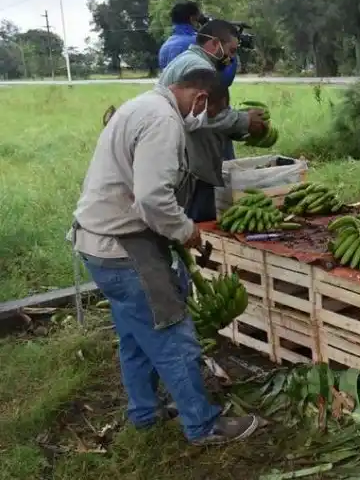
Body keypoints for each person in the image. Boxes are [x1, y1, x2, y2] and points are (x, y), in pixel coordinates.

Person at [71, 68, 260, 446]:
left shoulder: (142, 105)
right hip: (126, 248)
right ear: (200, 99)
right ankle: (203, 424)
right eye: (207, 115)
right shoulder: (163, 121)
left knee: (135, 337)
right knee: (173, 335)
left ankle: (145, 413)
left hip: (98, 244)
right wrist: (185, 229)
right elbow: (152, 198)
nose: (202, 122)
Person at [159, 19, 267, 223]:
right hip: (195, 166)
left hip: (185, 160)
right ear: (214, 44)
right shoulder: (199, 66)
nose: (232, 57)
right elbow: (210, 115)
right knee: (199, 226)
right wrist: (245, 121)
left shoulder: (186, 60)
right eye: (231, 50)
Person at [158, 0, 239, 88]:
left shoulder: (165, 46)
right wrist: (232, 55)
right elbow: (224, 80)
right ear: (193, 19)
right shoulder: (201, 42)